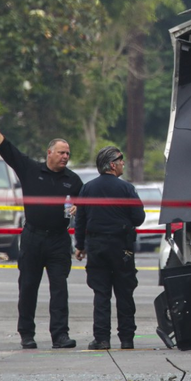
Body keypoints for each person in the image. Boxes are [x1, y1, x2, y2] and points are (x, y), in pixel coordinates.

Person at [0, 113, 83, 350]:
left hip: (59, 240)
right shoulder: (31, 170)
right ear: (49, 153)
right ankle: (26, 334)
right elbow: (7, 149)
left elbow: (84, 203)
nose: (65, 156)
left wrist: (79, 206)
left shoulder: (73, 180)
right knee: (27, 288)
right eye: (61, 152)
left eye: (68, 153)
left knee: (59, 290)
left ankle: (60, 335)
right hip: (33, 237)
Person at [74, 146, 145, 350]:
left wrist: (80, 245)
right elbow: (139, 218)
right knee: (125, 293)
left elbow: (80, 219)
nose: (123, 163)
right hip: (122, 247)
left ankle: (102, 338)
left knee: (101, 293)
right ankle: (127, 339)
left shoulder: (87, 189)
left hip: (96, 247)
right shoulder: (126, 189)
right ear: (112, 165)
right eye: (120, 159)